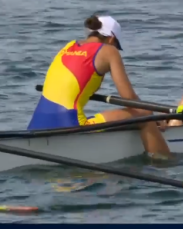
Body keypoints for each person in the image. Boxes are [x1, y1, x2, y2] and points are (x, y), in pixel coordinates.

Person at [27, 12, 172, 158]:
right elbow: (129, 98)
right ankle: (163, 162)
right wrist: (153, 117)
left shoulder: (68, 47)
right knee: (144, 114)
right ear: (112, 39)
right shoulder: (109, 51)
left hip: (37, 124)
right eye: (116, 45)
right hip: (70, 125)